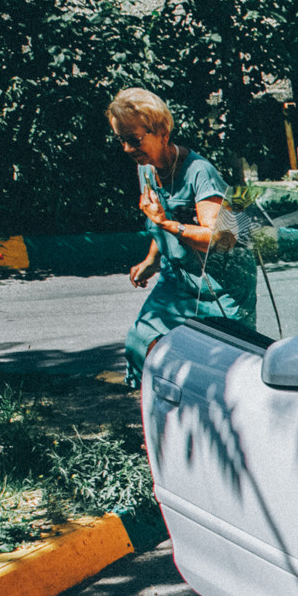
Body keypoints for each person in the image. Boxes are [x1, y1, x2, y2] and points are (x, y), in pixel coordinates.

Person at [108, 88, 257, 385]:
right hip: (179, 278)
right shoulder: (147, 169)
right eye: (121, 140)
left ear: (162, 132)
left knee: (221, 365)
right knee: (142, 342)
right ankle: (165, 409)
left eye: (134, 139)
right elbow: (158, 221)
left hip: (219, 284)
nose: (126, 148)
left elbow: (220, 239)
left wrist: (166, 223)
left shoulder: (199, 172)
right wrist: (152, 260)